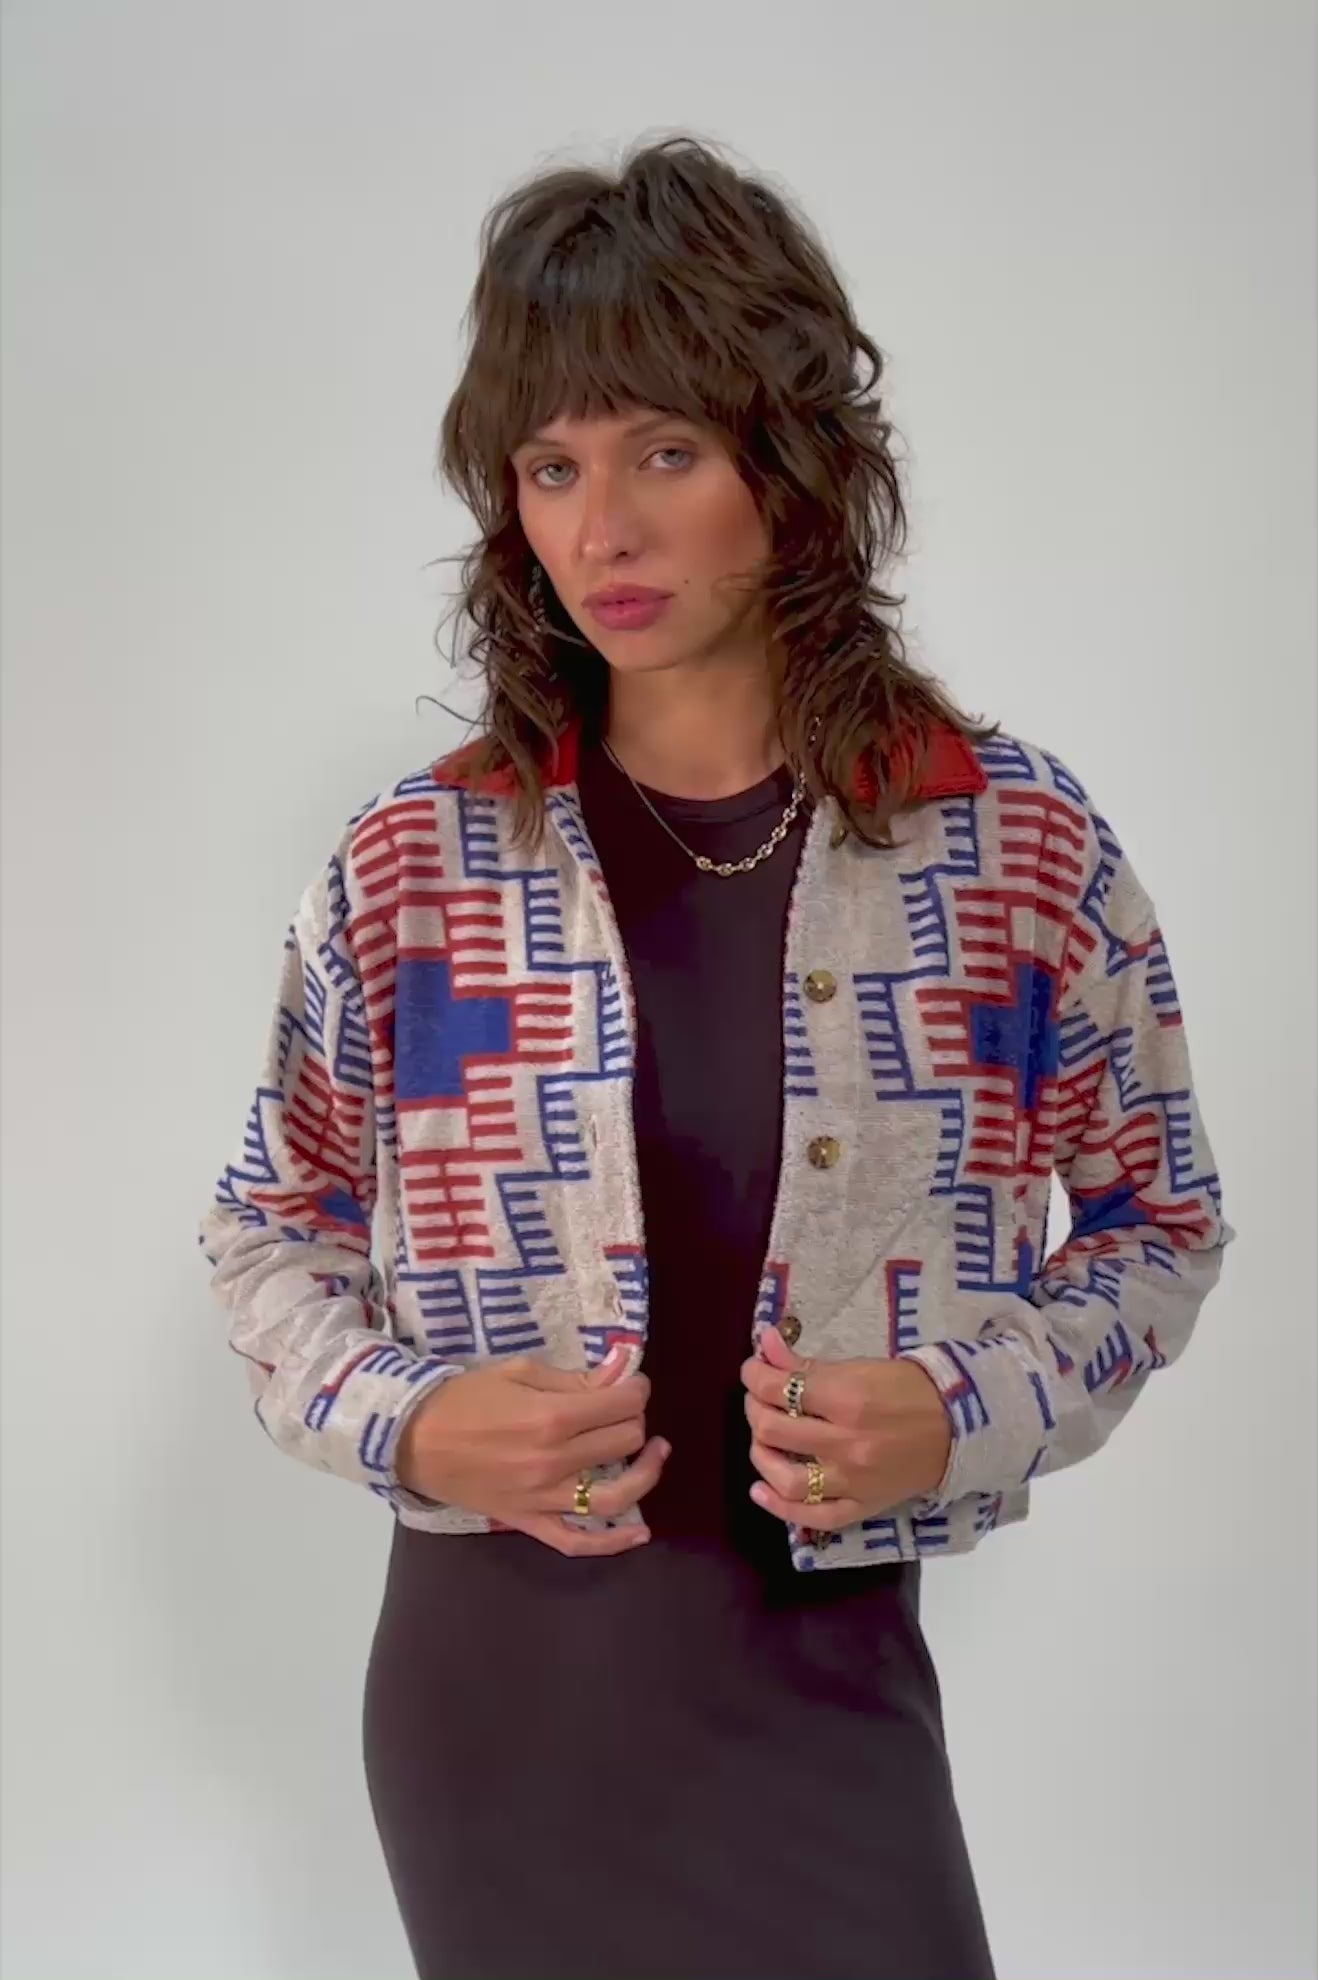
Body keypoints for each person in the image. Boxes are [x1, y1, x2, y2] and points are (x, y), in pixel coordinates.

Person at [198, 134, 1231, 1980]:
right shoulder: (418, 867)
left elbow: (1161, 1222)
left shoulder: (1007, 845)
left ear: (792, 458)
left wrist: (969, 1401)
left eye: (665, 450)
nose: (602, 529)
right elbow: (269, 1228)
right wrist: (409, 1416)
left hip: (832, 1708)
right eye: (551, 467)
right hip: (496, 1726)